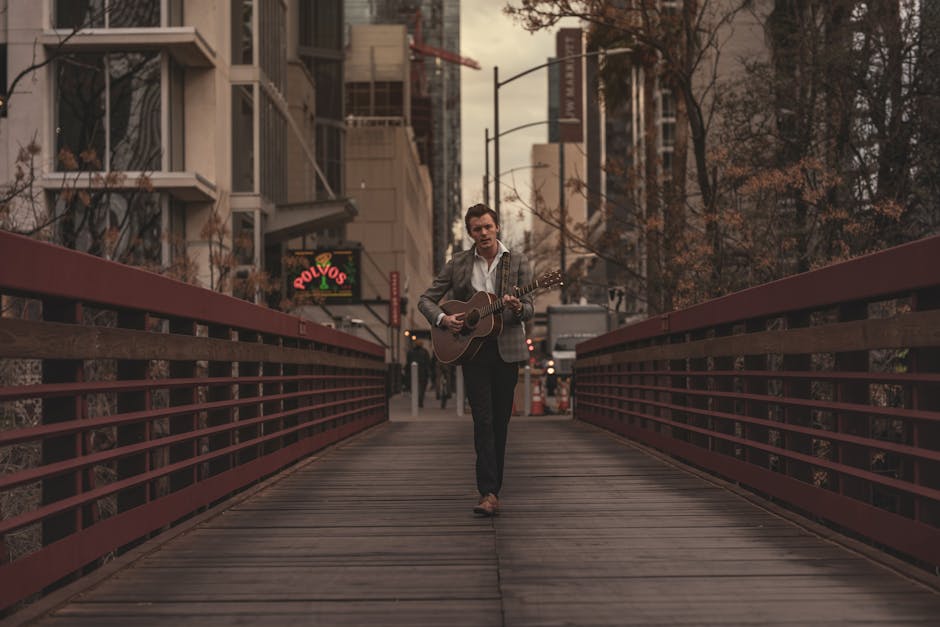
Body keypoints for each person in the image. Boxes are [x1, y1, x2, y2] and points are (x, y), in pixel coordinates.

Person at [418, 203, 533, 516]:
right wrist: (443, 319)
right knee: (482, 420)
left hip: (506, 349)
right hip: (472, 350)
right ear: (470, 232)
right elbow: (425, 299)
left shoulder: (518, 262)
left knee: (500, 422)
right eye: (476, 229)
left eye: (487, 227)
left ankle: (494, 486)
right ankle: (488, 492)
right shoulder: (458, 263)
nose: (483, 233)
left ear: (497, 228)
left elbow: (529, 308)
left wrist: (518, 307)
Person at [405, 339, 431, 407]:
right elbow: (428, 362)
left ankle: (416, 400)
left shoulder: (410, 352)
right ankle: (420, 401)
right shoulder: (425, 352)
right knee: (422, 387)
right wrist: (428, 372)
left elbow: (408, 362)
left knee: (413, 387)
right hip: (422, 372)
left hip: (412, 372)